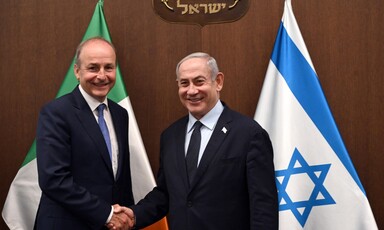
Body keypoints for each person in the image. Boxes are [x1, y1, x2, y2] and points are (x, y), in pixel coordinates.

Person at [126, 52, 278, 229]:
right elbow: (166, 194)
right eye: (184, 83)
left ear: (218, 81)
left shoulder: (249, 134)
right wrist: (134, 215)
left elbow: (264, 207)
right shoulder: (170, 136)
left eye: (199, 81)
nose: (191, 91)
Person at [34, 37, 134, 230]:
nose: (102, 75)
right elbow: (53, 179)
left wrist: (124, 217)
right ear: (77, 71)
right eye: (93, 68)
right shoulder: (56, 113)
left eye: (109, 67)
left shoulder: (120, 114)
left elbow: (120, 179)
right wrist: (107, 214)